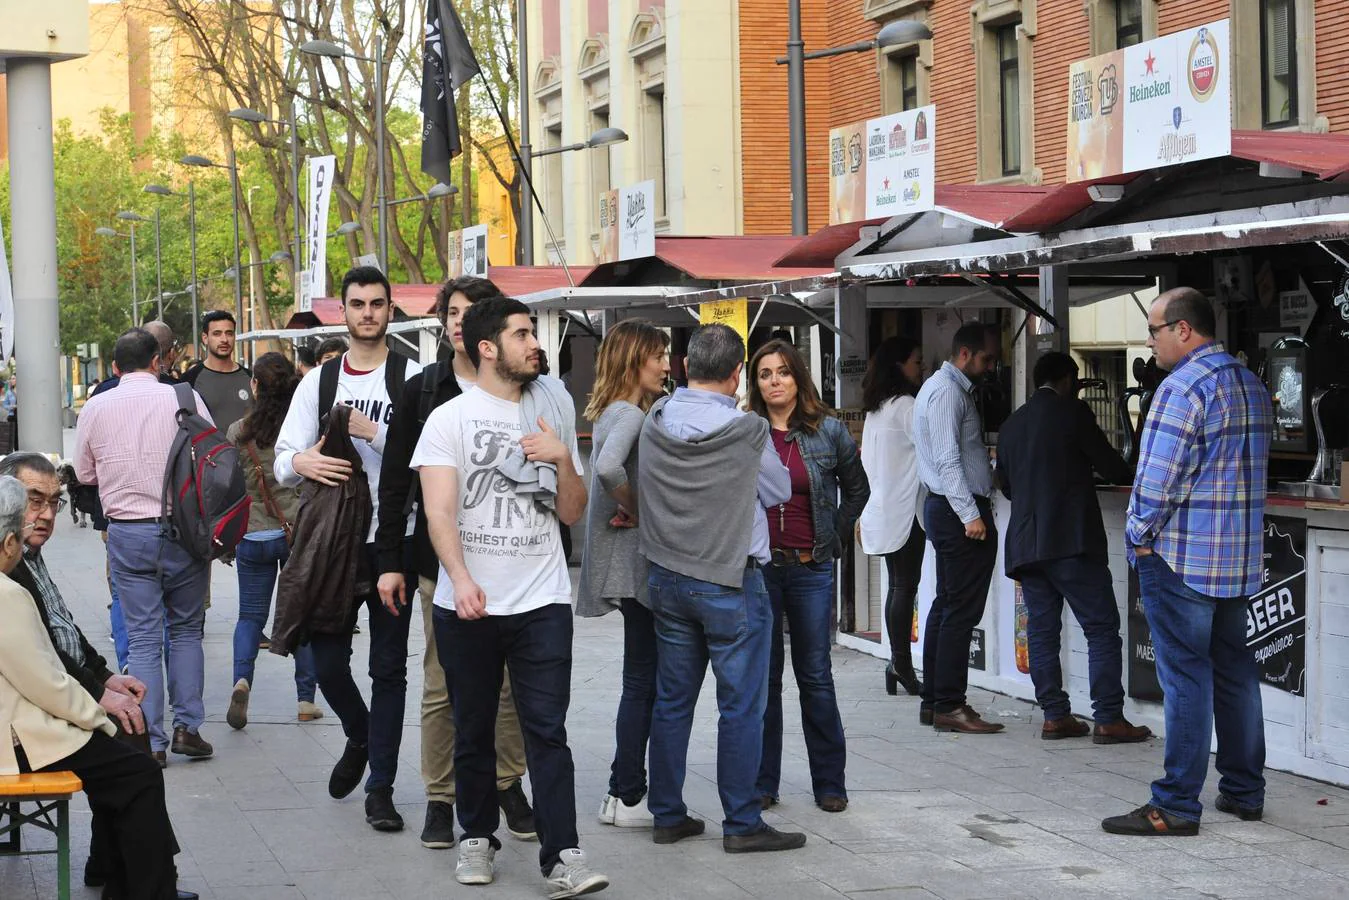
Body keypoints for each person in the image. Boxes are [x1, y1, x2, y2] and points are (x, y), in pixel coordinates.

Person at [413, 297, 607, 895]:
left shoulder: (549, 412)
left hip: (543, 598)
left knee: (547, 730)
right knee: (472, 727)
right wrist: (462, 579)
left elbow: (573, 511)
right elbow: (439, 512)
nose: (535, 344)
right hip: (467, 602)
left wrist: (562, 462)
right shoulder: (449, 418)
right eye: (523, 334)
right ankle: (476, 837)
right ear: (488, 347)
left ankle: (563, 856)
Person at [1103, 288, 1273, 837]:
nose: (1148, 341)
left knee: (1185, 679)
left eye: (1153, 330)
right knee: (1236, 673)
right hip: (1236, 560)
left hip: (1181, 560)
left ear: (1183, 330)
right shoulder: (1249, 383)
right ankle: (1245, 791)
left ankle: (1176, 804)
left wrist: (1138, 537)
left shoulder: (1181, 389)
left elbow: (1156, 482)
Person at [377, 276, 536, 850]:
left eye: (467, 313)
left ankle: (507, 782)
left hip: (516, 566)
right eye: (449, 312)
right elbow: (395, 485)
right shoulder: (425, 391)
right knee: (443, 684)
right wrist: (388, 559)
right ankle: (440, 798)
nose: (454, 322)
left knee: (509, 688)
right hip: (439, 565)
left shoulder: (528, 391)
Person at [638, 323, 806, 854]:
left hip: (667, 575)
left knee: (671, 701)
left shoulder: (658, 419)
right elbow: (779, 490)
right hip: (732, 581)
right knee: (741, 706)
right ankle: (741, 823)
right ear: (738, 374)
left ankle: (667, 813)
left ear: (686, 366)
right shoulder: (747, 430)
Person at [0, 476, 199, 900]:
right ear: (8, 542)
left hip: (23, 719)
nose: (46, 516)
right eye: (33, 507)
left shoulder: (23, 573)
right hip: (18, 736)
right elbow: (46, 681)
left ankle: (120, 872)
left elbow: (65, 636)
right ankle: (148, 887)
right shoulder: (7, 592)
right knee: (137, 769)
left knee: (130, 747)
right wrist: (95, 717)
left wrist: (104, 683)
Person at [273, 265, 421, 832]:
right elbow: (285, 459)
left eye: (377, 304)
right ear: (343, 309)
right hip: (332, 548)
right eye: (357, 304)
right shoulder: (320, 382)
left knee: (389, 669)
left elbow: (429, 456)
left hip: (393, 544)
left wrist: (374, 432)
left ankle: (380, 788)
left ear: (389, 309)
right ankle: (360, 735)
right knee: (328, 662)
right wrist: (303, 461)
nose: (367, 313)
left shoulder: (413, 377)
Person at [75, 327, 214, 765]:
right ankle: (188, 727)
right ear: (159, 361)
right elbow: (211, 455)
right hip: (184, 531)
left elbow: (83, 473)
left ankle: (151, 740)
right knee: (188, 630)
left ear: (114, 368)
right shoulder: (184, 398)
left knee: (142, 638)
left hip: (128, 534)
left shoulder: (96, 406)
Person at [996, 352, 1151, 743]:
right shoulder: (1073, 413)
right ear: (1067, 379)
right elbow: (1115, 468)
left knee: (1043, 631)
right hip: (1071, 542)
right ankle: (1108, 718)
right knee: (1100, 628)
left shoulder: (1012, 424)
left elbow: (1007, 485)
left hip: (1028, 544)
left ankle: (1054, 715)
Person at [745, 339, 869, 814]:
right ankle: (763, 782)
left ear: (798, 377)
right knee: (765, 679)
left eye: (782, 372)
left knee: (815, 676)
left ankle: (829, 783)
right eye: (764, 374)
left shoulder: (828, 432)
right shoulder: (747, 431)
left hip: (809, 567)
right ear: (755, 383)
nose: (774, 381)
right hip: (760, 569)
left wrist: (833, 537)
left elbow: (858, 490)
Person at [576, 320, 671, 829]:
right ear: (635, 359)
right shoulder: (631, 414)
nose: (665, 365)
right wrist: (633, 507)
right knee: (644, 682)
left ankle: (621, 791)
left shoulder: (613, 410)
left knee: (640, 678)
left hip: (622, 564)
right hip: (634, 564)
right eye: (657, 355)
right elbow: (609, 468)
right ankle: (629, 793)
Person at [911, 322, 1002, 735]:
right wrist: (970, 514)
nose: (990, 366)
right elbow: (948, 460)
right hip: (955, 510)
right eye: (986, 358)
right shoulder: (948, 392)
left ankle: (936, 701)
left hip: (947, 508)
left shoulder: (940, 388)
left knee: (947, 606)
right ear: (965, 354)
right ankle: (949, 702)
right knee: (959, 609)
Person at [225, 352, 323, 729]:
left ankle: (241, 680)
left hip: (252, 532)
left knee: (250, 615)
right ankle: (304, 700)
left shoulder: (238, 432)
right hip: (296, 531)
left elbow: (230, 486)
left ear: (254, 386)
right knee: (302, 614)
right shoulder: (303, 430)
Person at [858, 337, 927, 697]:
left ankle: (896, 661)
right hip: (906, 510)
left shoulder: (877, 409)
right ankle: (900, 664)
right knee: (905, 586)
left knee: (896, 584)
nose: (921, 367)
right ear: (900, 365)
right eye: (917, 360)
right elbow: (931, 452)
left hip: (883, 507)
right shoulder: (907, 407)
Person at [182, 311, 253, 433]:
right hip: (206, 451)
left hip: (245, 451)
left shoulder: (251, 378)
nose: (224, 339)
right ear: (205, 338)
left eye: (229, 333)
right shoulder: (189, 380)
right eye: (217, 334)